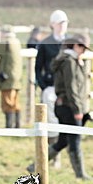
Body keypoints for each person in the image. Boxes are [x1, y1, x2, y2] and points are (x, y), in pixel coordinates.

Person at [31, 35, 93, 179]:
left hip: (66, 105)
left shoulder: (70, 60)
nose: (84, 52)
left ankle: (34, 166)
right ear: (76, 46)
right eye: (83, 48)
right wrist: (77, 109)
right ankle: (81, 174)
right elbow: (72, 88)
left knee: (63, 141)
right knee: (75, 141)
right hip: (69, 107)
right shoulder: (69, 62)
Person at [35, 10, 69, 165]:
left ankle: (61, 154)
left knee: (64, 121)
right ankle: (51, 156)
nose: (62, 26)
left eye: (64, 23)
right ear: (52, 24)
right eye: (59, 23)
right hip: (50, 87)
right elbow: (38, 67)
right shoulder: (45, 44)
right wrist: (43, 86)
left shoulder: (70, 42)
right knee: (50, 121)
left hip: (66, 90)